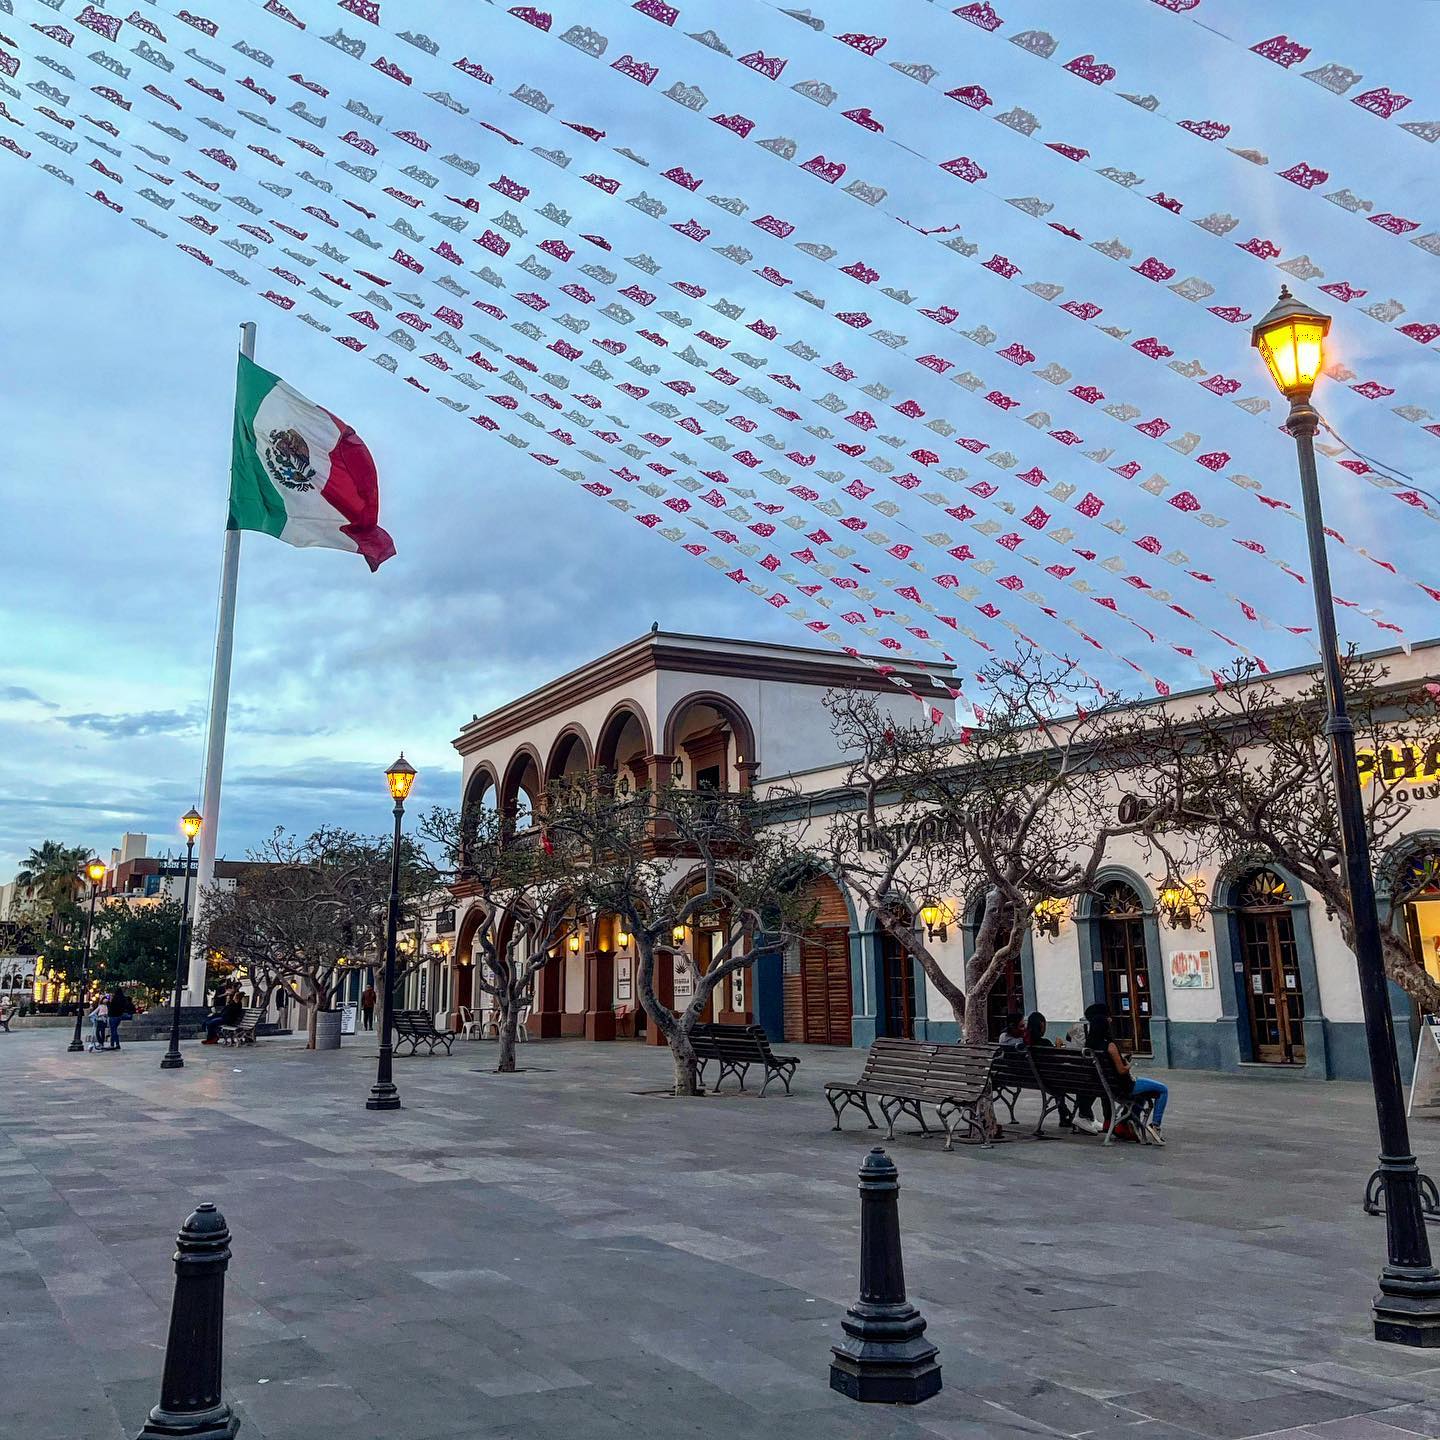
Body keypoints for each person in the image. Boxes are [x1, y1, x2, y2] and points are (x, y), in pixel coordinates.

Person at [1089, 1006, 1168, 1144]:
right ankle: (1155, 1125)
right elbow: (1121, 1071)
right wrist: (1129, 1064)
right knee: (1162, 1089)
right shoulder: (1110, 1046)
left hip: (1106, 1086)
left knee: (1143, 1093)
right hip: (1124, 1086)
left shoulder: (1090, 1046)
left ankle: (1129, 1122)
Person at [1067, 1002, 1113, 1135]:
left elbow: (1069, 1041)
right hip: (1097, 1079)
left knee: (1091, 1079)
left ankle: (1086, 1115)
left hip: (1077, 1076)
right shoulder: (1103, 1040)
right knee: (1103, 1082)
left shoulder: (1078, 1031)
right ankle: (1097, 1118)